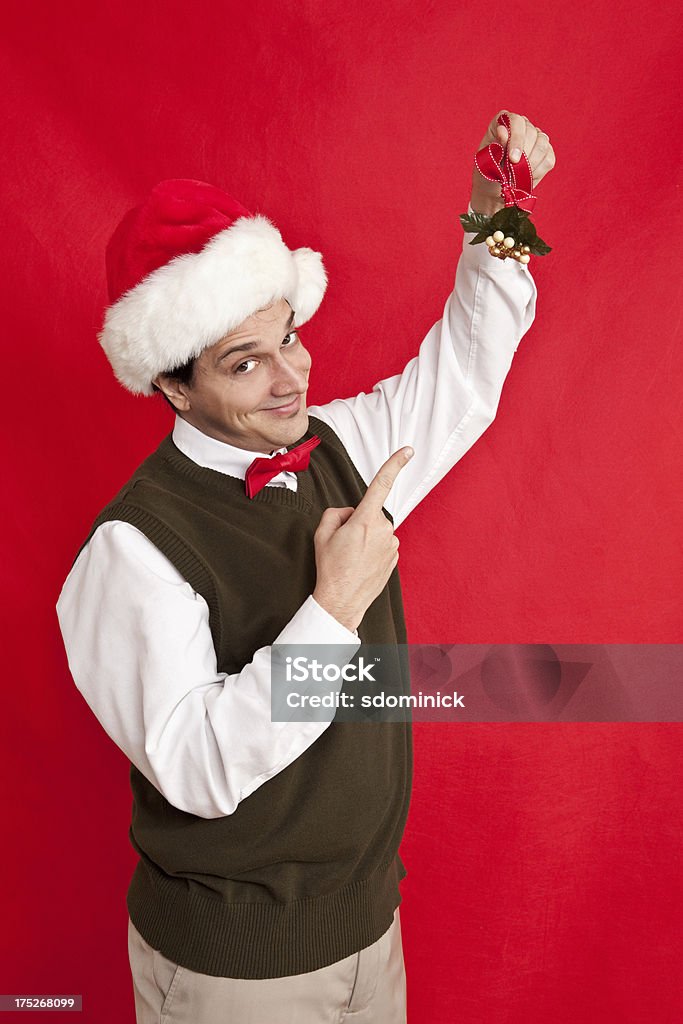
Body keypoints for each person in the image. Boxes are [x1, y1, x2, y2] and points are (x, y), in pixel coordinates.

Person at [56, 110, 554, 1023]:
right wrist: (333, 605)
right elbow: (199, 768)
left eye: (288, 336)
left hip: (369, 932)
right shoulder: (130, 551)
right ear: (172, 386)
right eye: (244, 364)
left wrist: (497, 211)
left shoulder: (339, 444)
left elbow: (467, 370)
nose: (290, 379)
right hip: (238, 975)